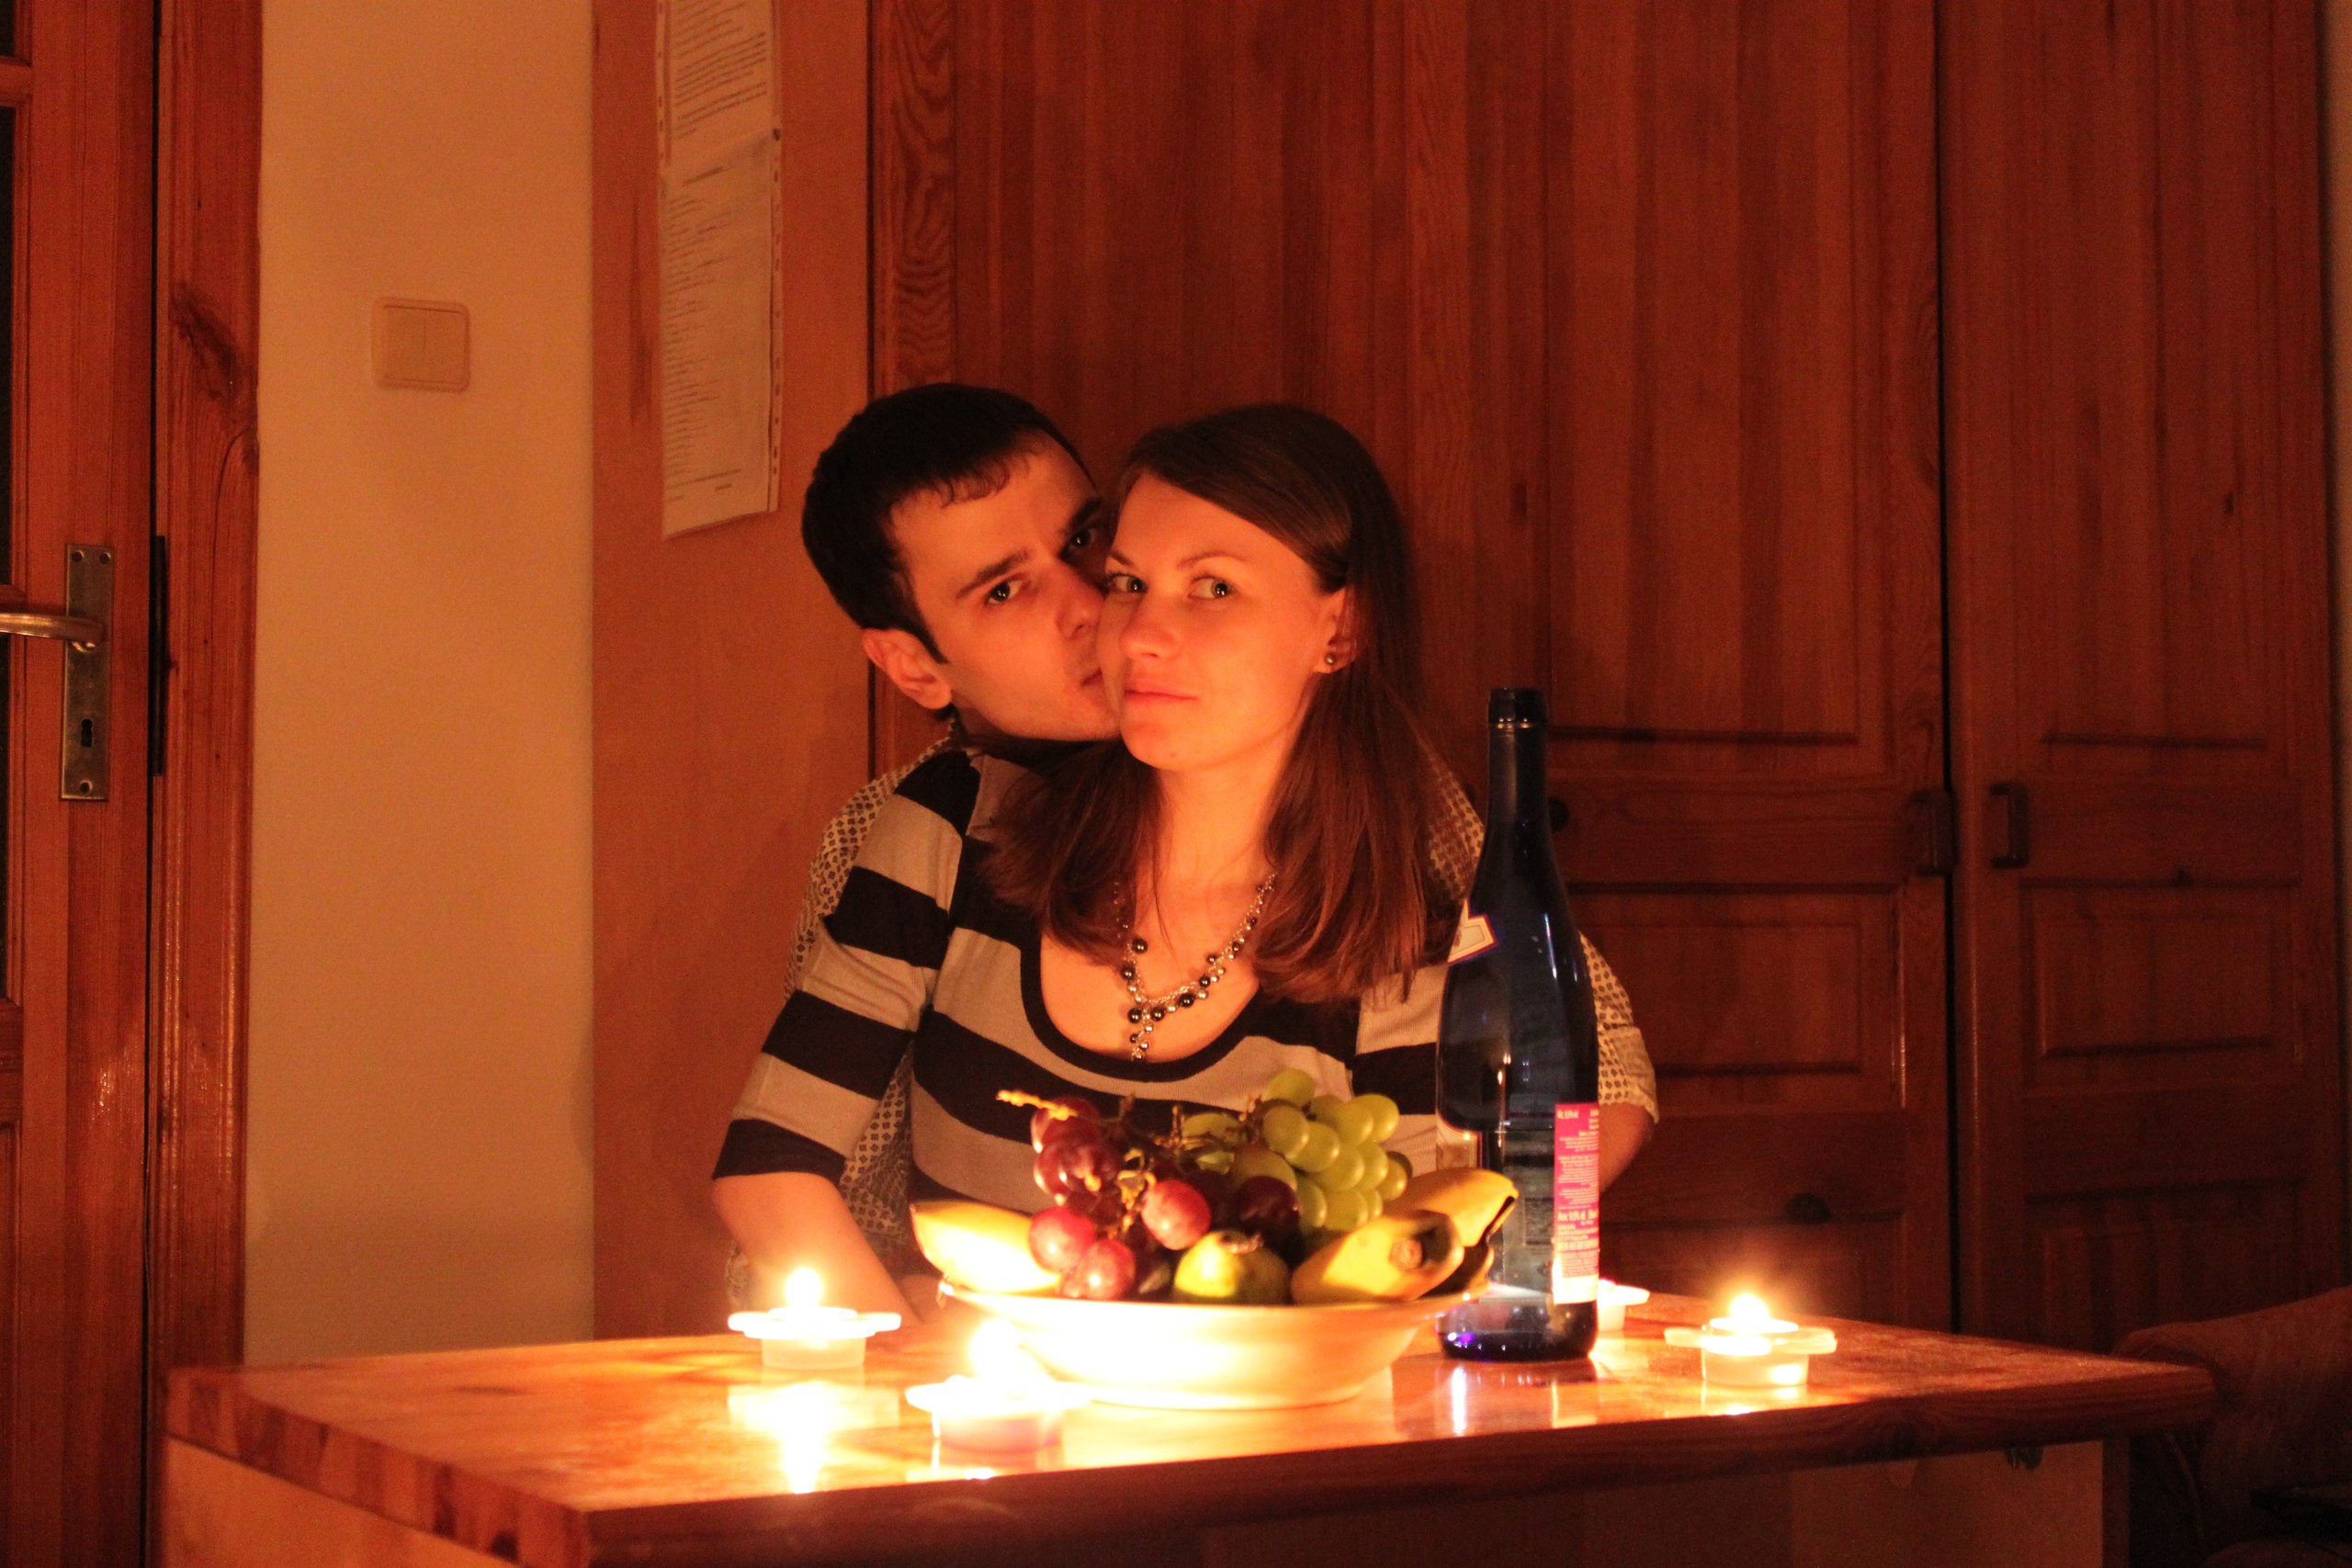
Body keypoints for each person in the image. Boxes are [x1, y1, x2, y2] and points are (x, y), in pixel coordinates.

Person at [715, 398, 1656, 1315]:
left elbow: (1570, 1102)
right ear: (917, 667)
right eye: (1007, 589)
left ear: (1340, 629)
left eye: (1089, 546)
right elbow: (784, 1184)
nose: (1106, 617)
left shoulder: (1403, 856)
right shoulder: (932, 826)